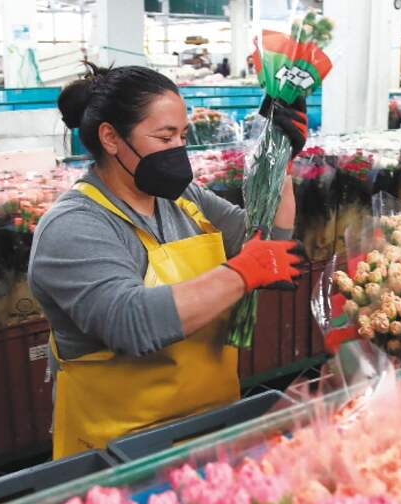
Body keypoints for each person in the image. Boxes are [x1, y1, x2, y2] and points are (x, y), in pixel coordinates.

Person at [29, 63, 309, 459]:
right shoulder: (75, 226)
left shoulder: (184, 199)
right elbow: (132, 322)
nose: (178, 148)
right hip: (118, 457)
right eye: (164, 137)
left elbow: (267, 242)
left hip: (210, 430)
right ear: (110, 137)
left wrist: (279, 161)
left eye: (183, 135)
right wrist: (242, 272)